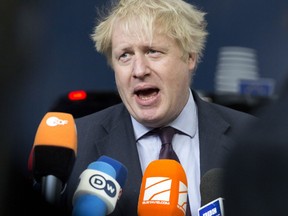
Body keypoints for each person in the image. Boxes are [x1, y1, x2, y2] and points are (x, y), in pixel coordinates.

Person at [62, 0, 257, 215]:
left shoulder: (252, 138)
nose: (139, 70)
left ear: (189, 57)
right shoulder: (73, 146)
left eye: (153, 51)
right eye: (125, 55)